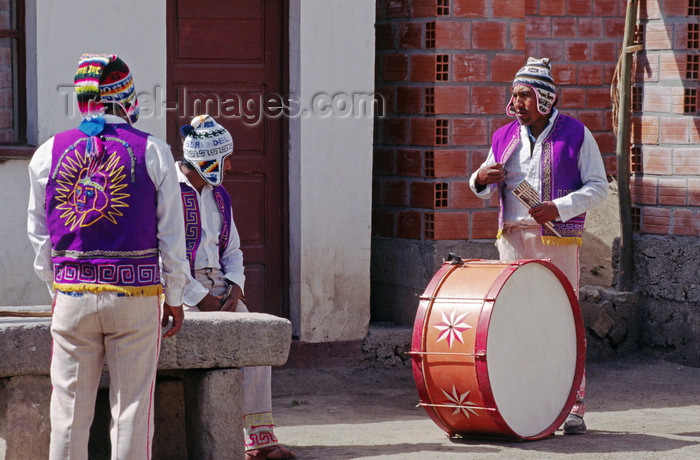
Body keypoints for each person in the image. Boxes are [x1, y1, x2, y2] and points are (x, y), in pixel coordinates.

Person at [27, 54, 190, 459]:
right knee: (132, 408)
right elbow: (172, 236)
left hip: (72, 297)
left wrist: (57, 286)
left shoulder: (48, 152)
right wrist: (174, 297)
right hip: (135, 300)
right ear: (128, 98)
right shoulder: (153, 152)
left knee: (68, 410)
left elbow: (40, 233)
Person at [469, 57, 609, 435]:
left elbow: (599, 186)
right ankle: (521, 402)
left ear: (545, 99)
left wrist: (558, 208)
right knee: (512, 321)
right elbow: (479, 184)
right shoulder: (504, 136)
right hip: (512, 242)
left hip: (557, 243)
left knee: (561, 322)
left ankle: (573, 406)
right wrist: (481, 177)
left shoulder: (577, 134)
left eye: (524, 96)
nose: (516, 104)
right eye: (514, 96)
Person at [176, 115, 296, 460]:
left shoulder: (220, 196)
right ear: (208, 160)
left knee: (254, 337)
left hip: (220, 288)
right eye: (226, 158)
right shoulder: (166, 191)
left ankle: (260, 442)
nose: (230, 165)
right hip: (179, 289)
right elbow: (164, 255)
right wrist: (199, 298)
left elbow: (232, 249)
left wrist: (236, 287)